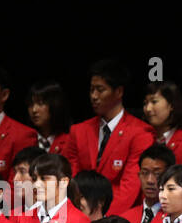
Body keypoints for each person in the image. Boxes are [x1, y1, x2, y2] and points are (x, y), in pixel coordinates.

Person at [64, 60, 155, 213]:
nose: (94, 96)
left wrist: (101, 217)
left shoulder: (140, 133)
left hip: (119, 218)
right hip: (79, 213)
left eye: (100, 90)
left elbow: (130, 187)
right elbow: (69, 179)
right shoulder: (78, 131)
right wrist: (80, 214)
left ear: (118, 92)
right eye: (92, 89)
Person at [120, 144, 175, 223]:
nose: (150, 180)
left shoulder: (176, 218)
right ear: (139, 175)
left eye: (157, 174)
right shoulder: (125, 218)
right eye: (145, 173)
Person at [143, 81, 182, 158]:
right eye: (145, 103)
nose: (148, 108)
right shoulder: (141, 138)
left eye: (154, 102)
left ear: (171, 105)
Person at [27, 81, 74, 157]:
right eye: (30, 104)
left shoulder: (70, 141)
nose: (34, 110)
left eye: (40, 103)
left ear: (55, 104)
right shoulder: (24, 140)